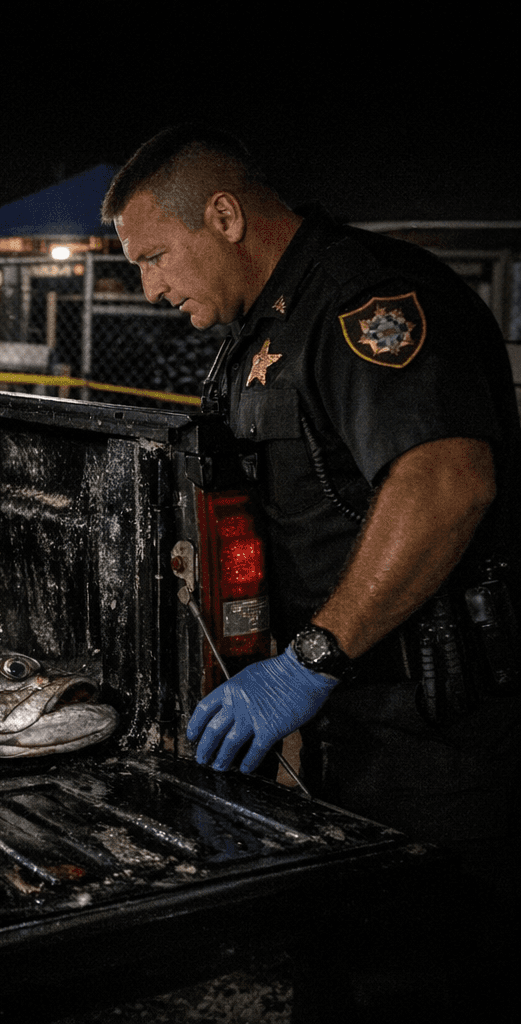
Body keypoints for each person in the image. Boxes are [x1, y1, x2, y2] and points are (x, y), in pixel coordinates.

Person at [103, 124, 519, 1011]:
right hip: (352, 720)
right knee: (347, 960)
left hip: (442, 725)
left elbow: (447, 481)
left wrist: (313, 660)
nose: (150, 288)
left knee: (428, 968)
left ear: (222, 214)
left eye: (155, 258)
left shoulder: (366, 300)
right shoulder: (267, 324)